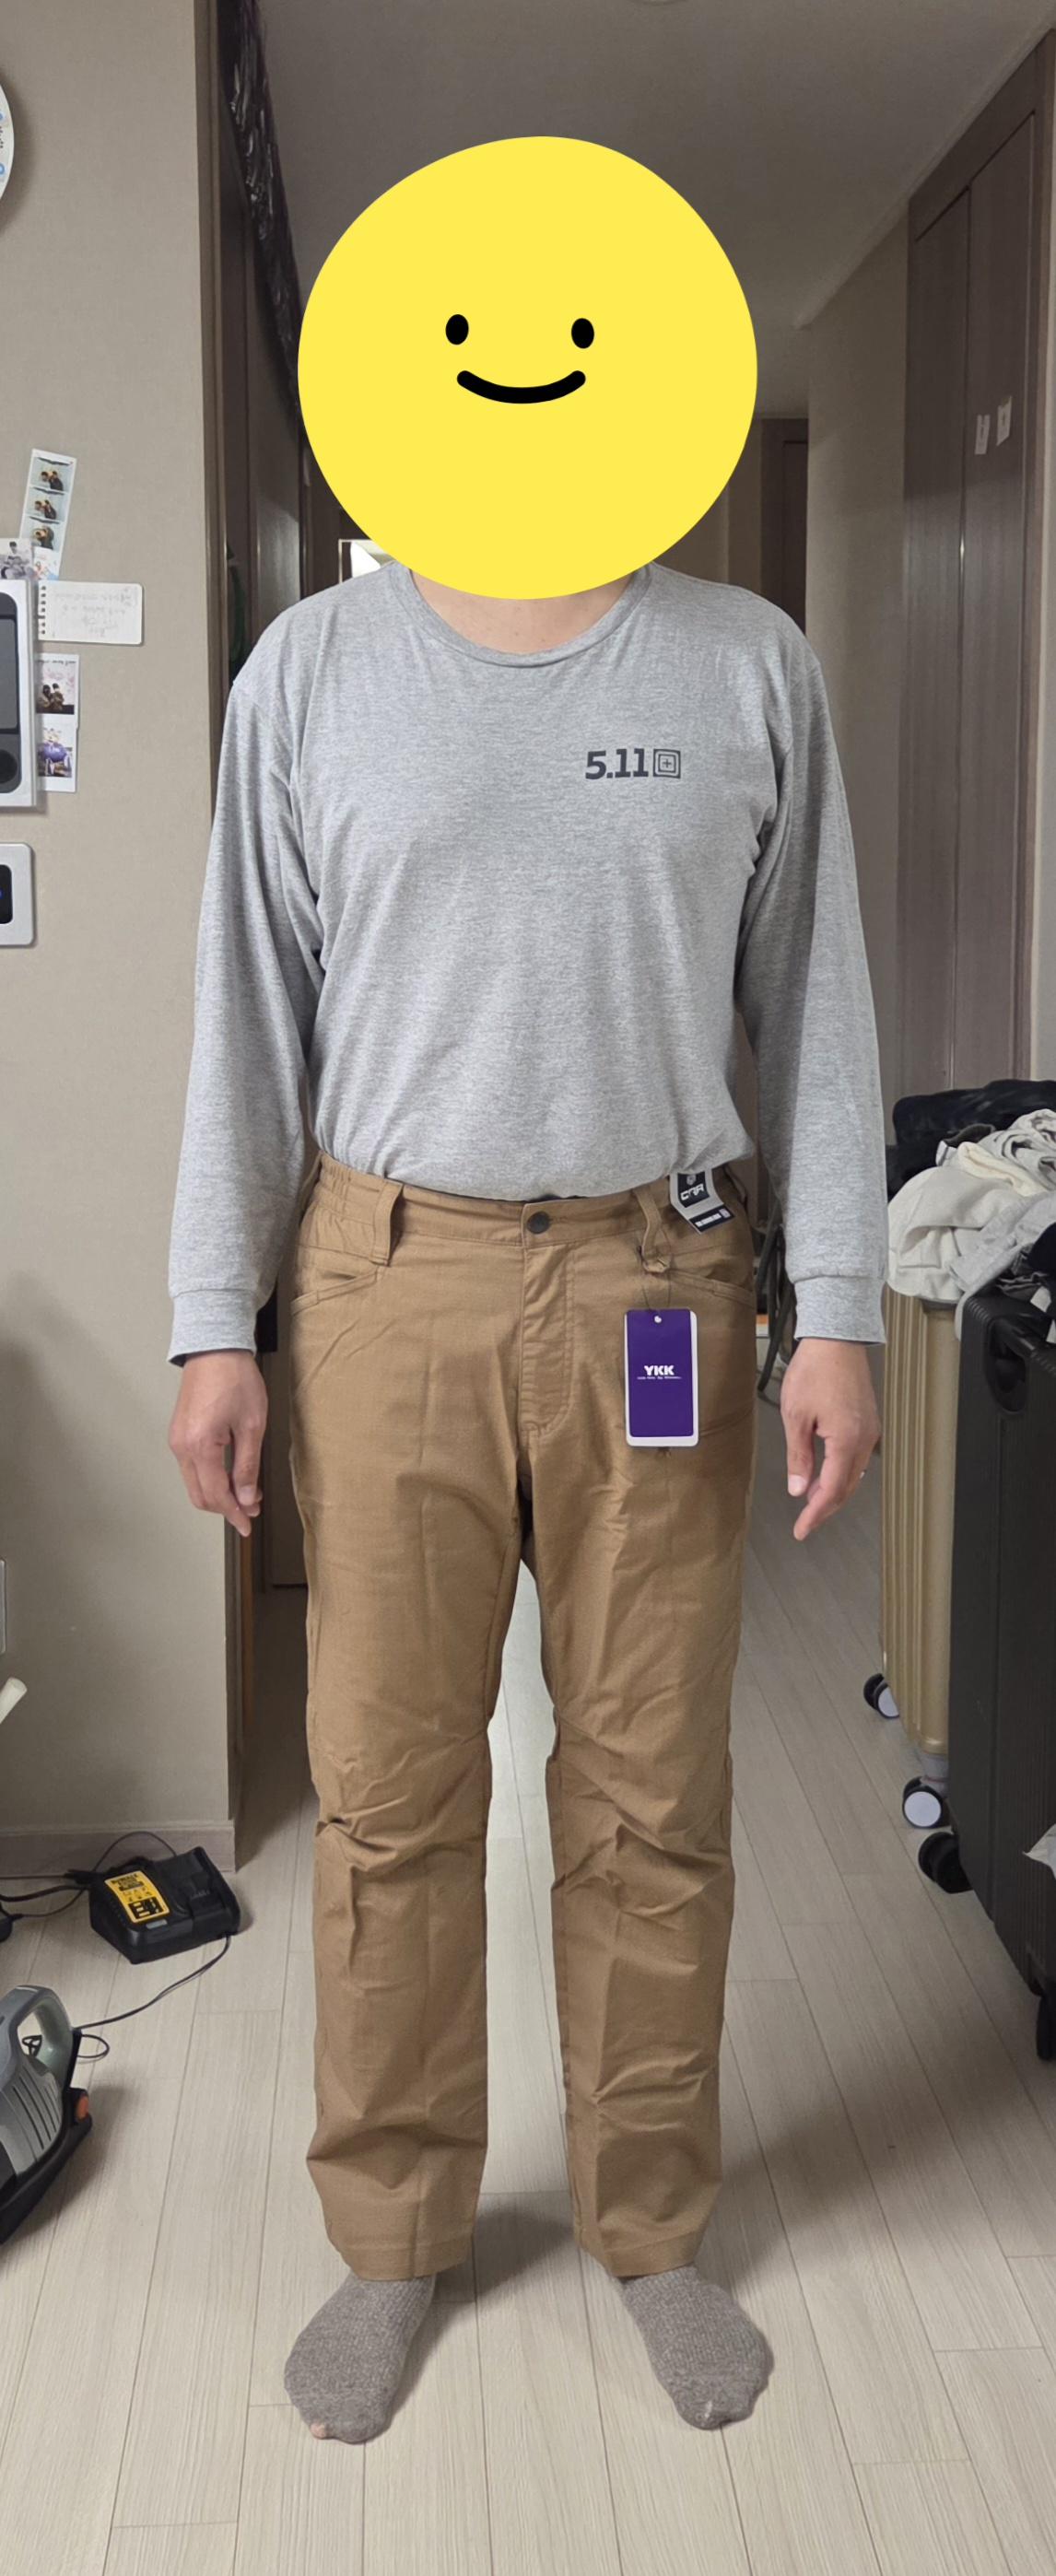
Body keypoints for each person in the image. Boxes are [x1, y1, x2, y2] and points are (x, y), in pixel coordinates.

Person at [167, 556, 885, 2445]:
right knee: (388, 1784)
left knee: (652, 1782)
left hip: (660, 1283)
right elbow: (246, 1010)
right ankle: (394, 2234)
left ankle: (650, 2225)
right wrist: (210, 1319)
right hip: (386, 1274)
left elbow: (814, 1000)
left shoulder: (746, 666)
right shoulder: (310, 672)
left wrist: (839, 1307)